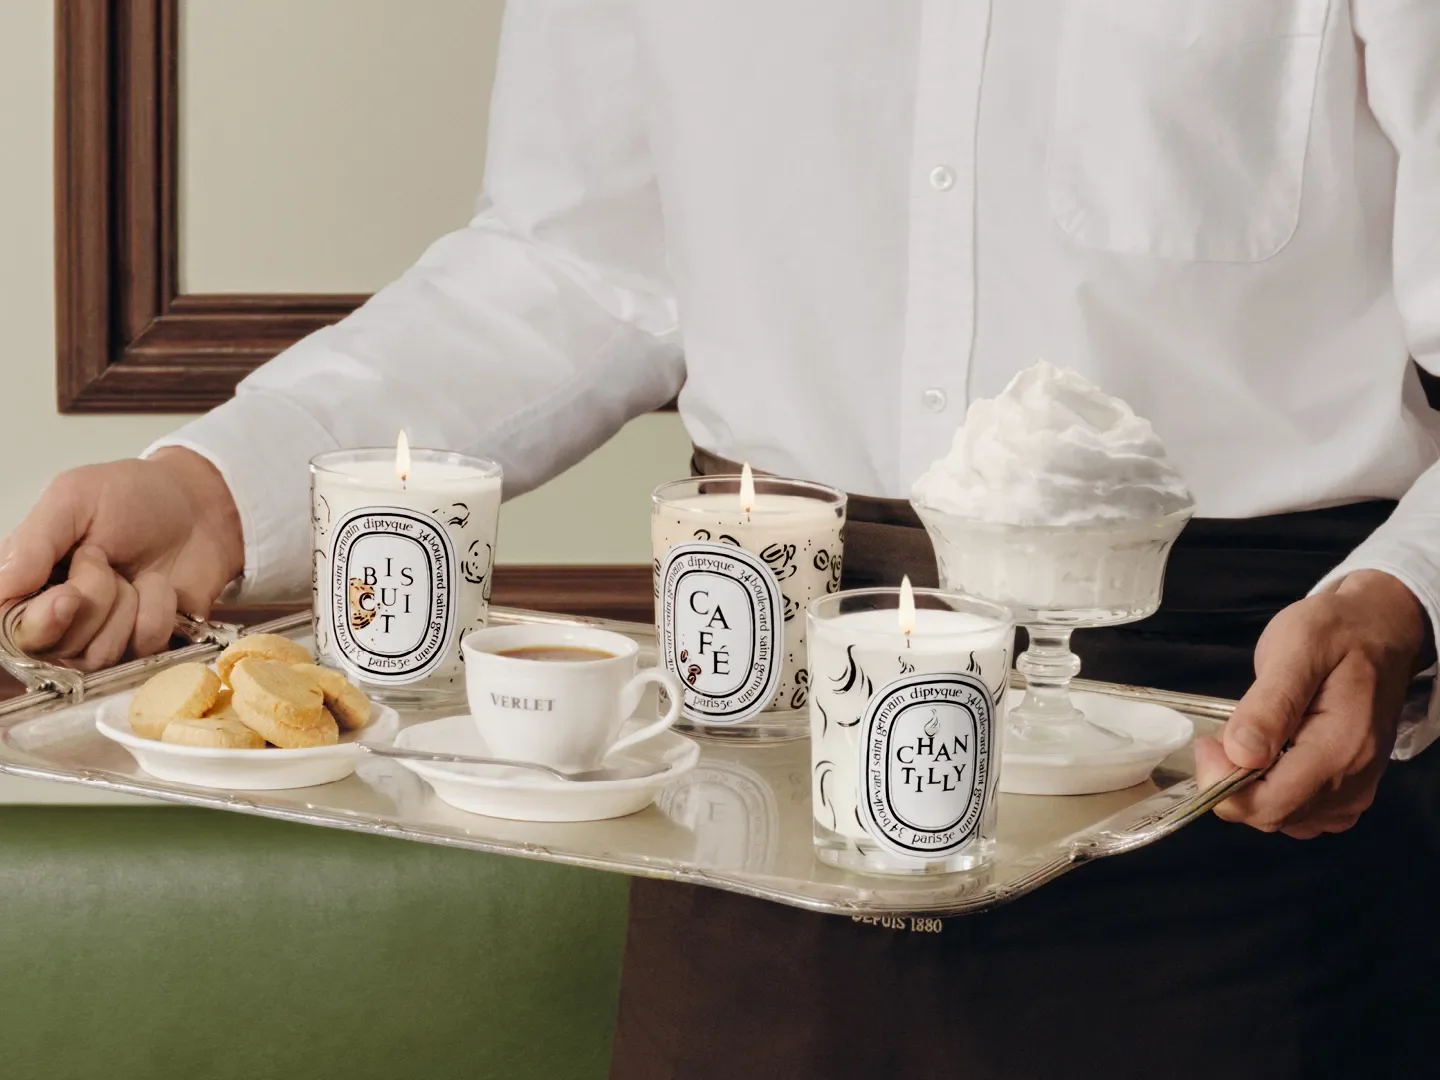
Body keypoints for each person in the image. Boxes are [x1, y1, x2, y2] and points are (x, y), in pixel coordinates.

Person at [4, 3, 1439, 1075]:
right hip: (757, 771)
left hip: (1246, 768)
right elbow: (576, 266)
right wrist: (217, 493)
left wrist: (1406, 599)